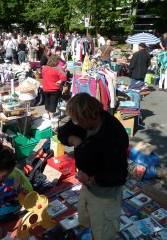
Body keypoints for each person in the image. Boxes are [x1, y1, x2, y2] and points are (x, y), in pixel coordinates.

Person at [57, 93, 128, 240]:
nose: (74, 123)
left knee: (103, 232)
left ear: (89, 117)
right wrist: (75, 140)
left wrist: (90, 179)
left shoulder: (114, 135)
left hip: (105, 195)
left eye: (77, 120)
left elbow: (118, 176)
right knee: (87, 221)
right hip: (87, 186)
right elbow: (63, 132)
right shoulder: (84, 120)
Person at [41, 54, 67, 120]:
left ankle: (47, 114)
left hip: (45, 88)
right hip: (54, 89)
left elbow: (43, 76)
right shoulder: (57, 69)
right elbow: (64, 77)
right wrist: (60, 81)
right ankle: (51, 116)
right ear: (56, 62)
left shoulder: (44, 68)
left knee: (47, 101)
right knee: (53, 102)